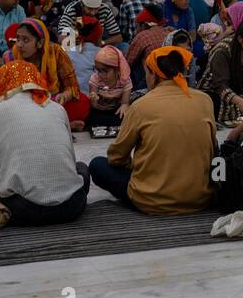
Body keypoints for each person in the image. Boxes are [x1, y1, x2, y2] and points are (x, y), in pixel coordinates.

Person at [0, 60, 91, 225]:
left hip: (25, 210)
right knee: (82, 168)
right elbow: (71, 165)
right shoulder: (57, 108)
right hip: (72, 206)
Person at [89, 46, 216, 214]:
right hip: (200, 198)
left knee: (98, 165)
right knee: (219, 161)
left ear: (154, 75)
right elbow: (213, 151)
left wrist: (138, 167)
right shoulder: (205, 100)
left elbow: (116, 157)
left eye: (146, 73)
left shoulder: (140, 106)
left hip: (150, 200)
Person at [1, 18, 83, 125]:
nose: (20, 44)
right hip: (24, 106)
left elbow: (72, 86)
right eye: (18, 39)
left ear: (40, 43)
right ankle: (62, 125)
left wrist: (64, 96)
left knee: (83, 102)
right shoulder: (10, 57)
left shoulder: (56, 53)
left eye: (26, 40)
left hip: (54, 101)